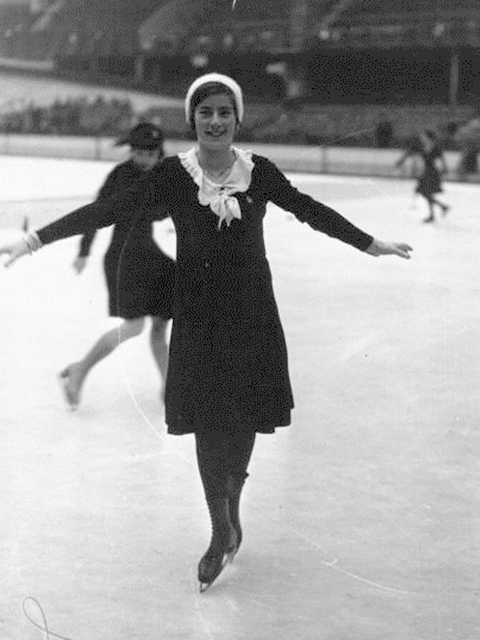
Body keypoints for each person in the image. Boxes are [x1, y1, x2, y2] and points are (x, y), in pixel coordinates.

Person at [0, 73, 413, 592]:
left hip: (252, 311)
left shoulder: (259, 172)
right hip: (197, 313)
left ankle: (231, 511)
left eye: (224, 112)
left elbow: (309, 210)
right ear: (192, 119)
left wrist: (370, 243)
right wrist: (35, 239)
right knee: (207, 422)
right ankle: (221, 529)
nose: (215, 121)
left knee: (243, 418)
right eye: (205, 112)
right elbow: (108, 210)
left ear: (237, 119)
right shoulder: (174, 175)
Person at [60, 122, 175, 409]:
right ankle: (80, 369)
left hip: (149, 255)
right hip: (123, 258)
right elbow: (94, 214)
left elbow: (166, 210)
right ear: (131, 151)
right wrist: (84, 251)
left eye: (150, 154)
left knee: (160, 325)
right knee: (134, 326)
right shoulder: (121, 175)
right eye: (139, 153)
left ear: (159, 153)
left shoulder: (163, 175)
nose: (144, 159)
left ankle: (169, 388)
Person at [413, 129, 449, 223]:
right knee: (425, 193)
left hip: (432, 172)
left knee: (427, 193)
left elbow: (441, 158)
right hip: (426, 172)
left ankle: (433, 214)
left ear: (428, 137)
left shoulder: (435, 147)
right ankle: (441, 207)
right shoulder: (424, 147)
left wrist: (444, 168)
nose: (422, 138)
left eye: (423, 136)